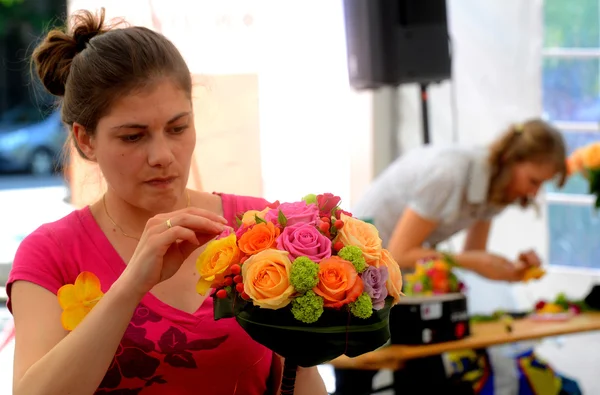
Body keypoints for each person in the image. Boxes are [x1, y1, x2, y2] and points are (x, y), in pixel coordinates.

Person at [6, 9, 327, 395]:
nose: (162, 155)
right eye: (133, 137)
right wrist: (131, 286)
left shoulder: (256, 227)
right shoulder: (51, 253)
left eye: (178, 128)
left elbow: (301, 379)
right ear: (86, 139)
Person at [334, 119, 567, 394]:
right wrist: (473, 261)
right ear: (511, 159)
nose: (533, 192)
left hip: (394, 279)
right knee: (358, 380)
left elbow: (471, 256)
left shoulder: (495, 189)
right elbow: (400, 252)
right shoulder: (450, 173)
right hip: (359, 266)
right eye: (533, 181)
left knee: (428, 375)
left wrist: (512, 270)